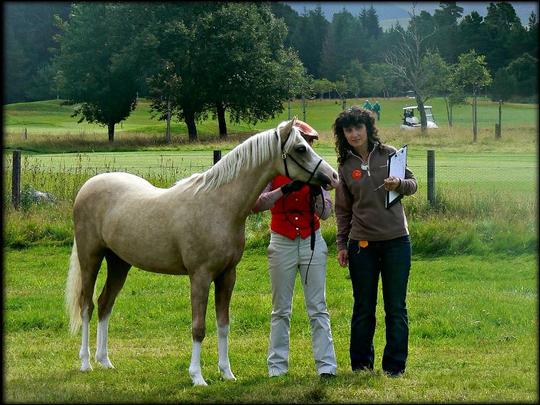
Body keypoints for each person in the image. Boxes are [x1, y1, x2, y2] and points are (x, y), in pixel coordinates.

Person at [333, 106, 417, 377]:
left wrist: (399, 184)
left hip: (396, 242)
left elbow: (413, 183)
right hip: (362, 245)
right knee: (363, 307)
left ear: (369, 129)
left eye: (359, 128)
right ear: (343, 134)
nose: (354, 134)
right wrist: (342, 244)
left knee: (396, 307)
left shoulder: (390, 154)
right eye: (348, 130)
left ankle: (395, 367)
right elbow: (343, 210)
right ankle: (361, 366)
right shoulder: (345, 166)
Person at [252, 120, 337, 379]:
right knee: (281, 309)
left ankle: (327, 367)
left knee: (318, 307)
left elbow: (326, 214)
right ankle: (277, 367)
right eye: (304, 142)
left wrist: (317, 193)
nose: (308, 147)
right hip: (281, 241)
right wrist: (285, 188)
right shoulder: (274, 170)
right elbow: (257, 204)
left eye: (309, 143)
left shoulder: (316, 171)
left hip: (312, 241)